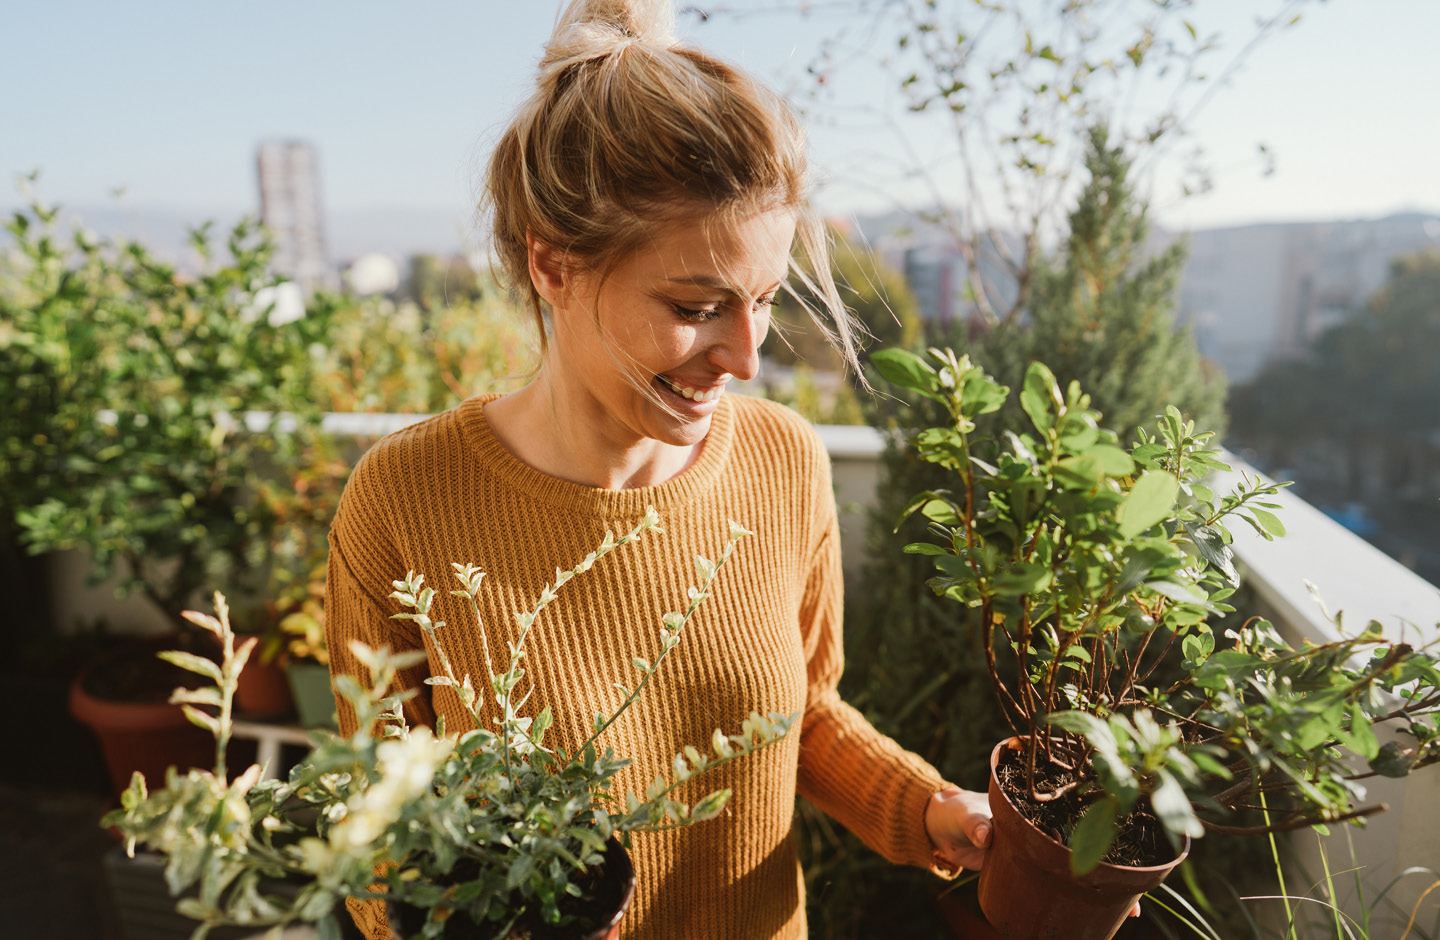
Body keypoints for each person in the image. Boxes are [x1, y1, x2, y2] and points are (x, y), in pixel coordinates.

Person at [323, 1, 992, 936]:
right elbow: (376, 838)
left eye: (761, 300)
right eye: (695, 305)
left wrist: (931, 810)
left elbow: (804, 719)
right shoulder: (404, 501)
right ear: (551, 268)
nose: (746, 357)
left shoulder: (783, 461)